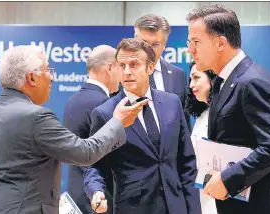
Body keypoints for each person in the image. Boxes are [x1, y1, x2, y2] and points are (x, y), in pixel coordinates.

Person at [0, 45, 148, 214]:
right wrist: (117, 122)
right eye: (47, 70)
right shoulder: (35, 117)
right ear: (31, 78)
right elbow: (85, 153)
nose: (52, 77)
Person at [186, 4, 270, 214]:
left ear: (220, 43)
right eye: (189, 42)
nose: (190, 49)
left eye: (196, 42)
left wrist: (229, 179)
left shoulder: (252, 82)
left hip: (263, 203)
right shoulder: (223, 81)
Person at [84, 38, 201, 214]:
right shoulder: (105, 113)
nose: (126, 72)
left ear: (150, 68)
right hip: (133, 208)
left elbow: (187, 163)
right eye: (121, 65)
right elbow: (94, 165)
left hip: (176, 205)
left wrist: (194, 209)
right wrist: (96, 190)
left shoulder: (172, 103)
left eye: (134, 64)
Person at [63, 45, 119, 214]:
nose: (123, 75)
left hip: (75, 194)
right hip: (99, 198)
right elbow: (107, 156)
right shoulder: (104, 104)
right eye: (120, 67)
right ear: (109, 68)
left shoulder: (71, 101)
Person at [134, 14, 191, 128]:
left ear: (164, 45)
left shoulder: (178, 75)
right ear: (134, 40)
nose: (148, 49)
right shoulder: (119, 73)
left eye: (155, 44)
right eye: (144, 43)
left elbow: (184, 123)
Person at [184, 62, 217, 214]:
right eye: (190, 79)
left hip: (220, 196)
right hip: (201, 196)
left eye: (196, 78)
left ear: (212, 79)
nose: (191, 85)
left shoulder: (223, 115)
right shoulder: (202, 116)